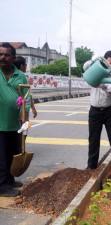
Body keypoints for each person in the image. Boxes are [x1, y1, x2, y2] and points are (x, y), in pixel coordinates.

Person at [86, 50, 111, 174]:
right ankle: (91, 166)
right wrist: (93, 60)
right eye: (110, 60)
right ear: (105, 60)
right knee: (93, 139)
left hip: (110, 112)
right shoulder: (96, 69)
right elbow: (85, 67)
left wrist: (105, 86)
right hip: (95, 111)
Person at [0, 42, 30, 197]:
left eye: (6, 55)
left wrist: (25, 113)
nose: (2, 57)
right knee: (1, 155)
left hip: (15, 123)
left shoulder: (21, 75)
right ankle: (2, 186)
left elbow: (26, 96)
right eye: (0, 54)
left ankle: (10, 180)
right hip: (1, 123)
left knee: (13, 153)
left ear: (13, 57)